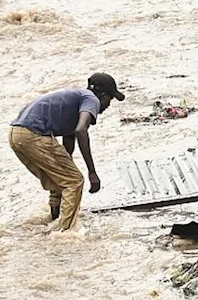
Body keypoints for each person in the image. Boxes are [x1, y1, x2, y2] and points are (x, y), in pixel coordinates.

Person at [9, 73, 125, 231]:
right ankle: (65, 233)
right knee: (74, 182)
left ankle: (55, 218)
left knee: (60, 179)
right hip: (34, 135)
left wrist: (67, 162)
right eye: (109, 100)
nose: (107, 105)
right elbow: (81, 130)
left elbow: (69, 137)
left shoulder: (75, 98)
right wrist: (92, 172)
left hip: (16, 135)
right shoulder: (91, 99)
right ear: (102, 95)